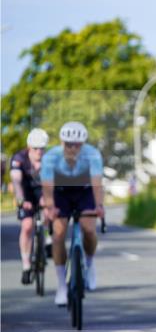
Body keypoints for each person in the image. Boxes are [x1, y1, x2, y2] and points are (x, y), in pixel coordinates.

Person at [41, 122, 105, 306]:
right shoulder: (51, 157)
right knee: (58, 234)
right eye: (68, 143)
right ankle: (62, 285)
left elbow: (96, 182)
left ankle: (90, 264)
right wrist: (50, 208)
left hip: (84, 192)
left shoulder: (92, 154)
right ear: (62, 142)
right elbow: (47, 186)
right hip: (60, 193)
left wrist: (99, 205)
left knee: (89, 230)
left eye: (77, 144)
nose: (72, 148)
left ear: (83, 144)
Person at [10, 128, 50, 285]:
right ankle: (26, 264)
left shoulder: (49, 159)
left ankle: (47, 238)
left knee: (48, 212)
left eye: (42, 148)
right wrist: (21, 200)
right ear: (29, 147)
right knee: (27, 226)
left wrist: (49, 199)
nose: (39, 151)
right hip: (25, 193)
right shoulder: (19, 158)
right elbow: (16, 181)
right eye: (35, 148)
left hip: (42, 191)